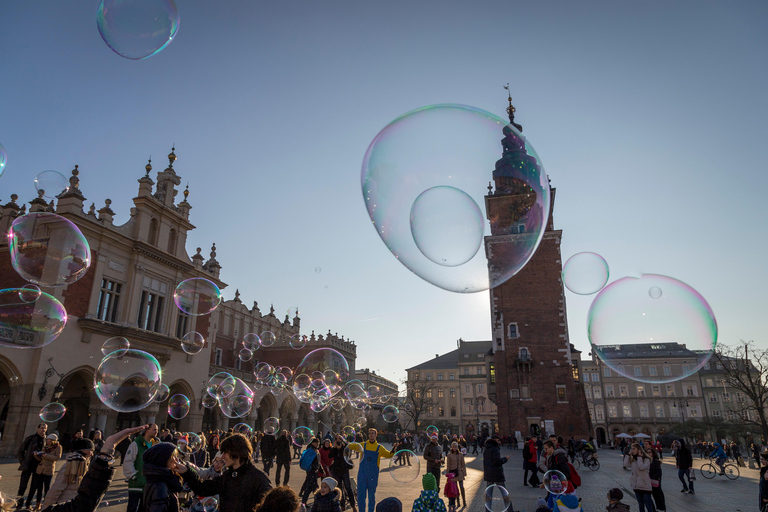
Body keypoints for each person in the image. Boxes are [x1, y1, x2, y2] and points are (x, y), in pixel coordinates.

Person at [173, 433, 272, 512]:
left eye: (225, 452)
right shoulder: (227, 476)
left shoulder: (258, 478)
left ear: (236, 452)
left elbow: (271, 505)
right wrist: (186, 471)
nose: (223, 456)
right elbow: (202, 488)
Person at [347, 429, 398, 512]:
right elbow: (351, 446)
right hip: (362, 475)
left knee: (371, 496)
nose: (371, 435)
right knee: (361, 496)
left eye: (373, 433)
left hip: (373, 475)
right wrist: (343, 439)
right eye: (369, 433)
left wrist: (394, 447)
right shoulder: (363, 445)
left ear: (376, 435)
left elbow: (389, 455)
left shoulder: (379, 448)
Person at [41, 437, 94, 508]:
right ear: (83, 450)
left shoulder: (84, 466)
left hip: (75, 505)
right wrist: (46, 507)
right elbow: (56, 489)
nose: (92, 454)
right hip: (65, 505)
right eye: (91, 450)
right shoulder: (69, 466)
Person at [124, 424, 159, 512]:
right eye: (154, 430)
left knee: (144, 509)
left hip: (150, 485)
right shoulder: (136, 444)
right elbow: (128, 461)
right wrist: (133, 476)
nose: (156, 432)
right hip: (136, 485)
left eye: (157, 430)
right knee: (133, 508)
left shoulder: (157, 445)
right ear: (147, 430)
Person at [142, 443, 184, 512]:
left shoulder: (160, 479)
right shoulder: (161, 486)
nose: (176, 459)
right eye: (173, 456)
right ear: (164, 460)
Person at [26, 434, 62, 509]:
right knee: (39, 488)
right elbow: (40, 458)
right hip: (40, 468)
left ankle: (46, 505)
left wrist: (46, 455)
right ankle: (37, 504)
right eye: (47, 440)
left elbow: (57, 458)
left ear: (53, 441)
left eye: (50, 441)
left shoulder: (58, 447)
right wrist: (37, 455)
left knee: (47, 488)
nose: (48, 442)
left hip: (49, 469)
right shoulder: (45, 447)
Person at [17, 424, 48, 504]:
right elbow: (21, 451)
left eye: (45, 429)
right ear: (37, 429)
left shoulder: (47, 440)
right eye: (41, 428)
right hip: (28, 465)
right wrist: (23, 462)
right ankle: (19, 504)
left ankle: (28, 504)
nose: (43, 430)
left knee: (34, 487)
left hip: (38, 466)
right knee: (23, 486)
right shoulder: (31, 438)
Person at [623, 443, 655, 512]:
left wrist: (639, 457)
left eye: (634, 449)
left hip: (645, 486)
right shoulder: (633, 460)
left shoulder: (646, 459)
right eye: (632, 449)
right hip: (636, 486)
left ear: (639, 450)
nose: (632, 450)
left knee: (648, 505)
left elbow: (641, 467)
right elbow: (625, 464)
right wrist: (628, 455)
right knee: (641, 505)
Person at [329, 436, 356, 512]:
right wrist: (334, 448)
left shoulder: (346, 448)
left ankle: (353, 505)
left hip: (344, 471)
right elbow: (329, 456)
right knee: (339, 488)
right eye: (336, 439)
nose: (338, 441)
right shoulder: (334, 448)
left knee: (348, 488)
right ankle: (342, 505)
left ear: (342, 440)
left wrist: (340, 448)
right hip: (336, 471)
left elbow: (346, 456)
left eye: (339, 439)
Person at [299, 438, 321, 506]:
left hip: (313, 471)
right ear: (312, 443)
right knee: (314, 488)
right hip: (312, 471)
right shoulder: (312, 451)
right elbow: (311, 462)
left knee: (308, 488)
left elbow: (318, 462)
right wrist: (314, 468)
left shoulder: (315, 450)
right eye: (316, 442)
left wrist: (321, 470)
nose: (317, 444)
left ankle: (304, 502)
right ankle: (318, 502)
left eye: (318, 443)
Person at [445, 442, 466, 508]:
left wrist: (464, 472)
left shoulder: (460, 454)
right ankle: (458, 502)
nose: (454, 448)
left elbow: (463, 464)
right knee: (455, 488)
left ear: (457, 447)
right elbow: (448, 465)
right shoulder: (449, 455)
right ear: (451, 447)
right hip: (453, 474)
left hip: (460, 473)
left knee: (462, 487)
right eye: (453, 447)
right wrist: (448, 474)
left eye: (455, 447)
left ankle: (464, 501)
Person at [647, 448, 666, 512]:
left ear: (653, 453)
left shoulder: (655, 461)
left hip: (654, 481)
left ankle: (661, 508)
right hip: (647, 481)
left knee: (657, 495)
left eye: (650, 452)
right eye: (647, 452)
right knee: (648, 497)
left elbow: (658, 472)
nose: (648, 454)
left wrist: (652, 478)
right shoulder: (646, 461)